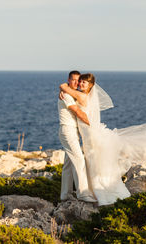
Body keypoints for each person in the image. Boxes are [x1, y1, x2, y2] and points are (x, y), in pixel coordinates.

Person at [60, 73, 146, 206]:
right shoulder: (85, 95)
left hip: (91, 134)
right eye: (80, 81)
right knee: (94, 161)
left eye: (84, 82)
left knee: (93, 161)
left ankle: (96, 191)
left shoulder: (81, 96)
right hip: (89, 134)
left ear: (91, 85)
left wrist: (63, 87)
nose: (80, 84)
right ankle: (94, 190)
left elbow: (65, 88)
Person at [58, 71, 97, 203]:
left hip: (73, 131)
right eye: (73, 80)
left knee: (68, 164)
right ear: (68, 80)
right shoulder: (66, 96)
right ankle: (82, 194)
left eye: (78, 80)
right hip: (67, 130)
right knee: (79, 160)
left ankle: (65, 194)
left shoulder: (71, 94)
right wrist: (94, 123)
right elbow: (78, 112)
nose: (76, 83)